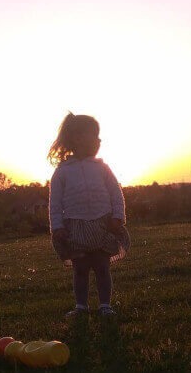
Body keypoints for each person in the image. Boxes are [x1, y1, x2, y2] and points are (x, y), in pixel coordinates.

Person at [48, 113, 130, 318]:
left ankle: (105, 306)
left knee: (103, 267)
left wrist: (118, 216)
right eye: (94, 135)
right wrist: (57, 227)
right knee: (80, 269)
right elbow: (55, 203)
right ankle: (81, 307)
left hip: (103, 224)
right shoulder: (62, 172)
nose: (99, 140)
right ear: (77, 138)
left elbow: (115, 193)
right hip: (75, 228)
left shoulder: (102, 168)